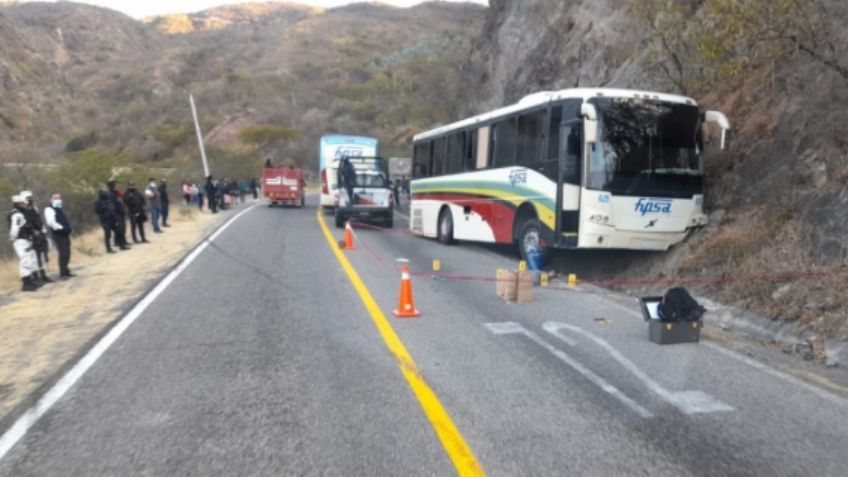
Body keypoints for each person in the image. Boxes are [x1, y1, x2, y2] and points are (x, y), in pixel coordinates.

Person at [8, 195, 40, 291]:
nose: (26, 205)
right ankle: (26, 283)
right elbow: (15, 228)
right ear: (19, 204)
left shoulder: (20, 213)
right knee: (25, 260)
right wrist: (13, 238)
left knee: (29, 259)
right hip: (21, 240)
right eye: (24, 203)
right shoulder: (17, 215)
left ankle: (29, 281)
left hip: (25, 240)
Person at [19, 190, 52, 283]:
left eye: (30, 198)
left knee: (42, 255)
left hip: (40, 233)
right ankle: (35, 276)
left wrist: (43, 231)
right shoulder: (22, 211)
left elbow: (39, 220)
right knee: (34, 256)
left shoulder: (34, 208)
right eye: (27, 198)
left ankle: (43, 274)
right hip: (32, 235)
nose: (29, 200)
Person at [43, 192, 75, 279]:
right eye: (55, 198)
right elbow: (51, 222)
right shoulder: (49, 209)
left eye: (59, 198)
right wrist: (62, 228)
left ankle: (66, 270)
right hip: (58, 234)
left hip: (64, 233)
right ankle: (62, 273)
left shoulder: (59, 209)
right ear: (50, 199)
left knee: (67, 252)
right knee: (63, 253)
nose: (58, 200)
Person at [106, 180, 130, 249]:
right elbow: (112, 206)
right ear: (113, 186)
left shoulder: (116, 193)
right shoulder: (111, 194)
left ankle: (122, 243)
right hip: (116, 214)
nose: (118, 186)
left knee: (122, 229)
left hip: (120, 213)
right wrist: (115, 216)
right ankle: (121, 245)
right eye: (116, 185)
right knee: (119, 230)